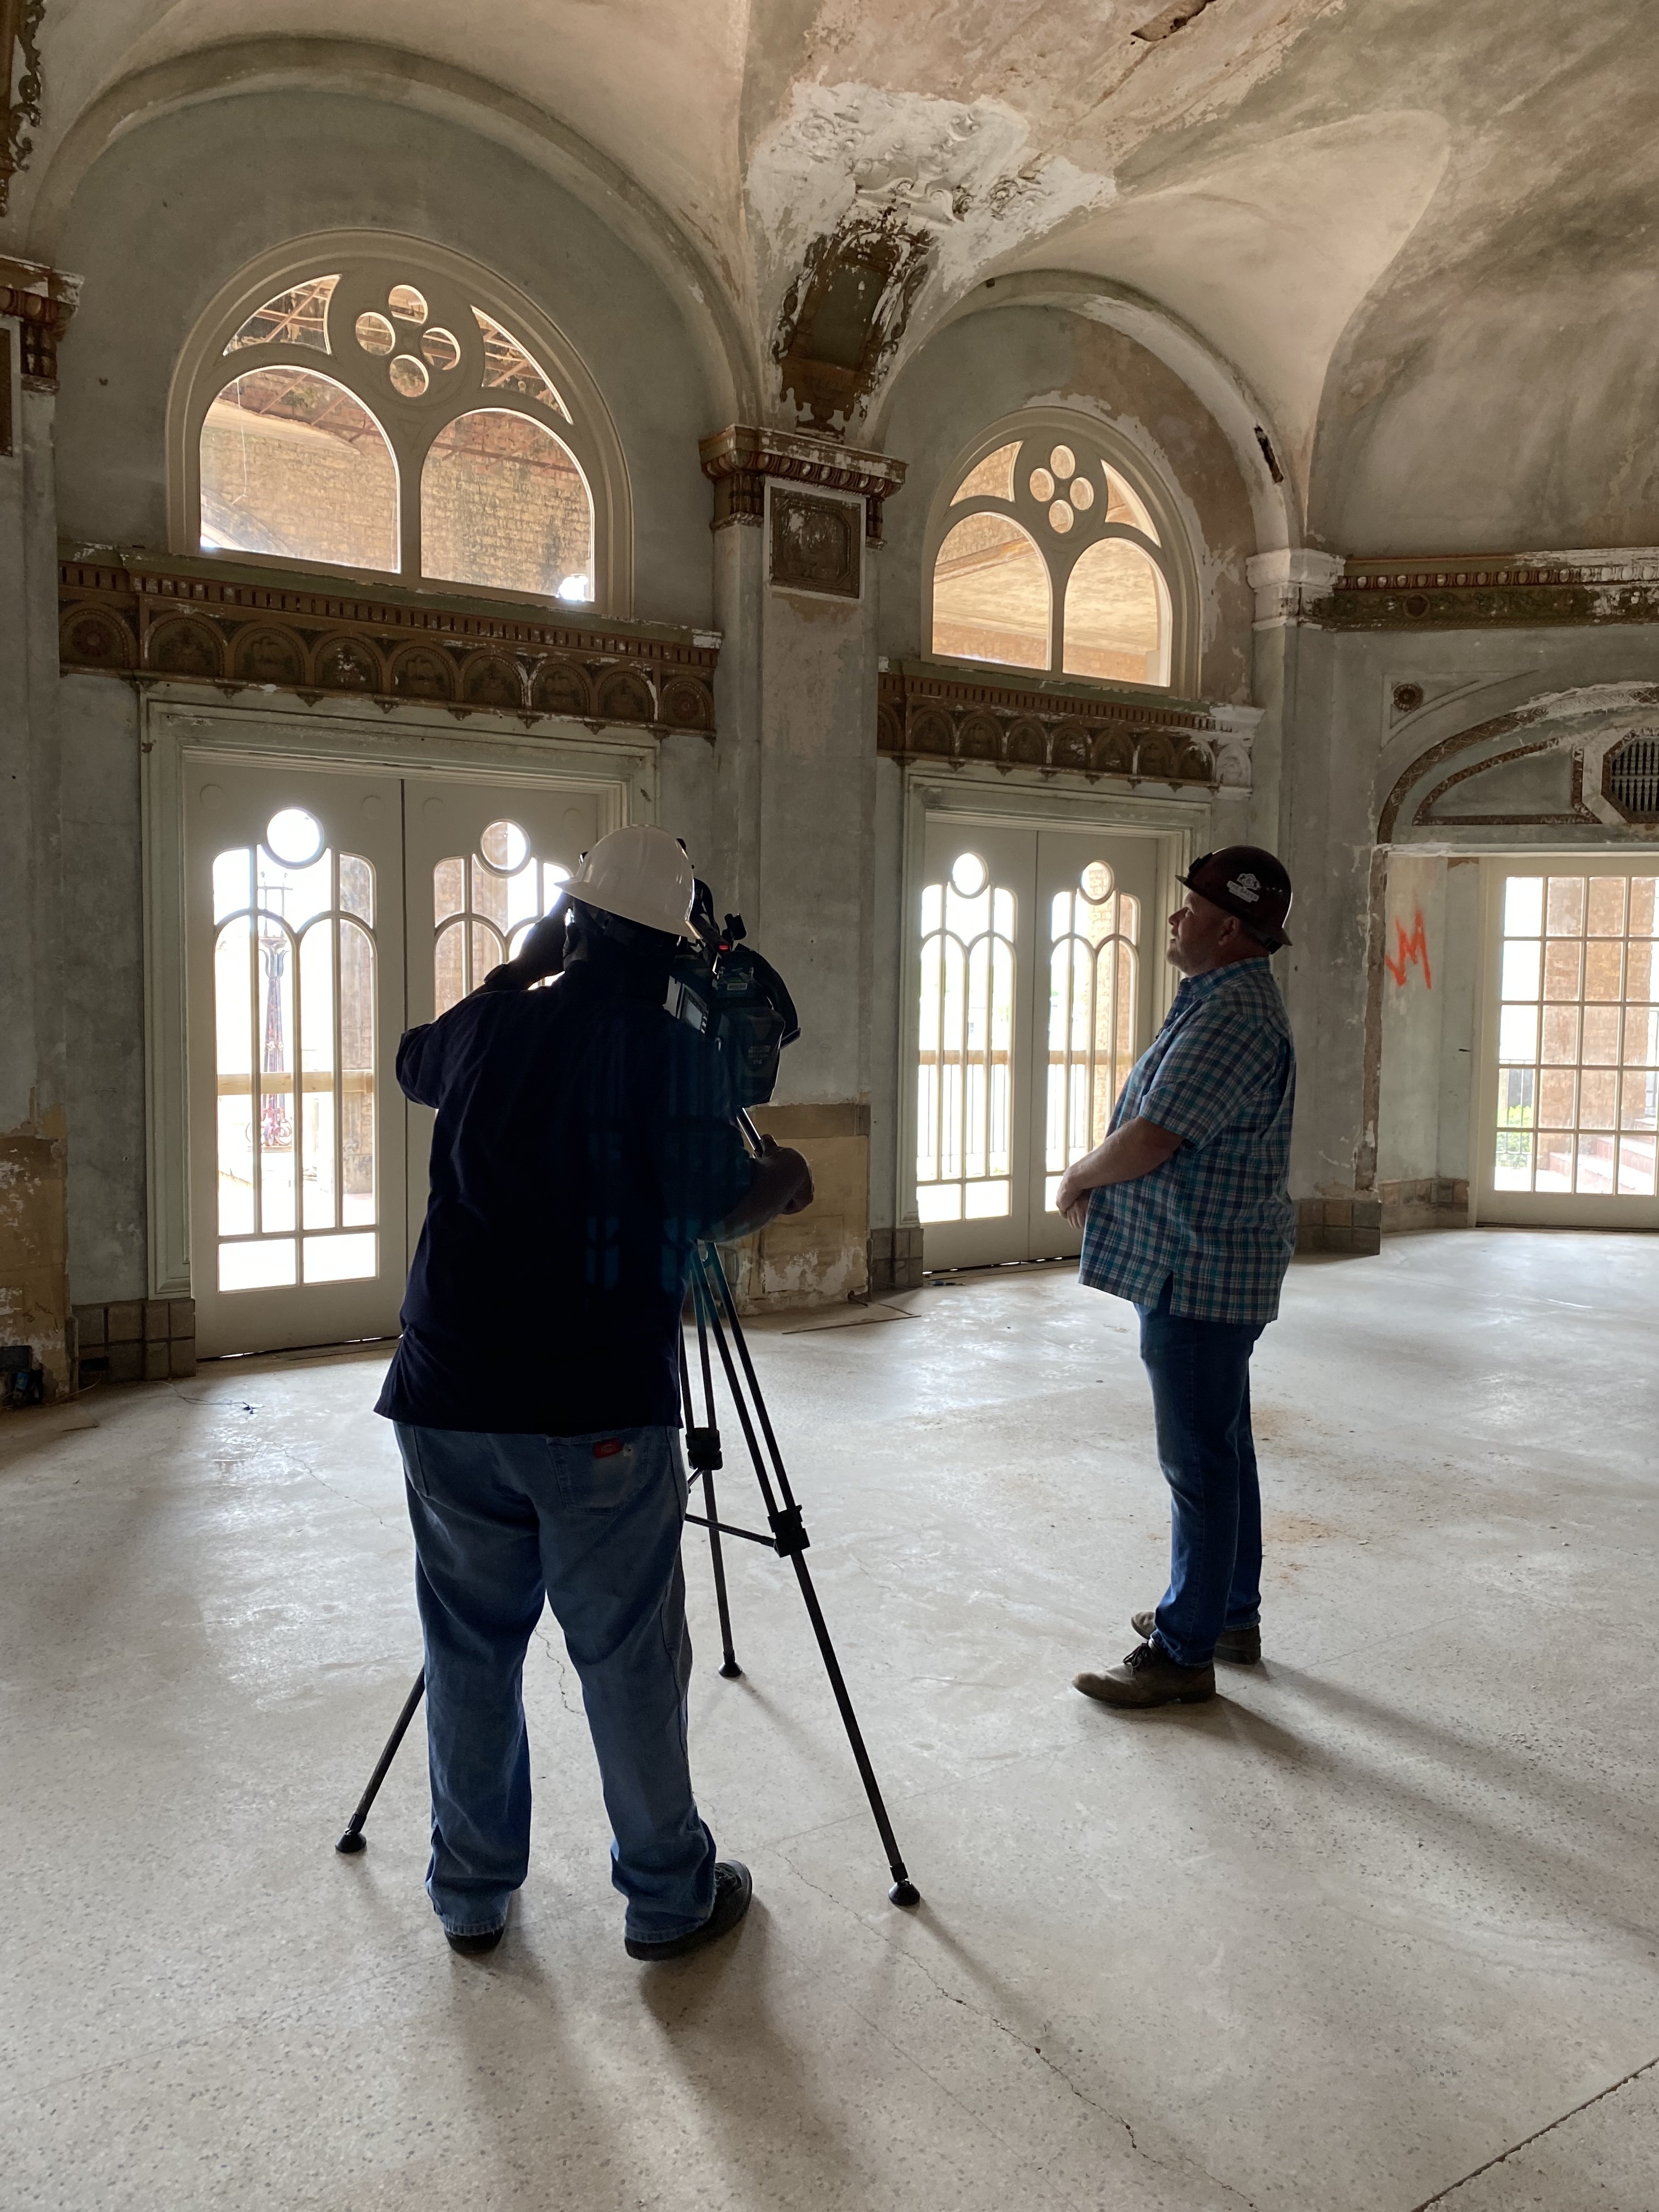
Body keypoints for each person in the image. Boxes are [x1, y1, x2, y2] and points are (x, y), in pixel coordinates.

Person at [375, 825, 814, 1957]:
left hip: (446, 1391)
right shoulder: (672, 1059)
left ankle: (471, 1894)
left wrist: (511, 975)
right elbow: (719, 1204)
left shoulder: (489, 1024)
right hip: (595, 1409)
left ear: (570, 925)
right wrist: (787, 1179)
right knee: (624, 1653)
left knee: (470, 1648)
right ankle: (669, 1899)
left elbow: (411, 1058)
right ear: (678, 952)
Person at [1056, 847, 1297, 1711]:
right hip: (1204, 1264)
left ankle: (1186, 1650)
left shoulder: (1232, 1015)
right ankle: (1226, 1616)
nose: (1172, 919)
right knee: (1222, 1445)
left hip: (1201, 1270)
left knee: (1198, 1459)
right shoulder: (1221, 1000)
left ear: (1229, 927)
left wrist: (1080, 1174)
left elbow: (1156, 1135)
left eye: (1187, 907)